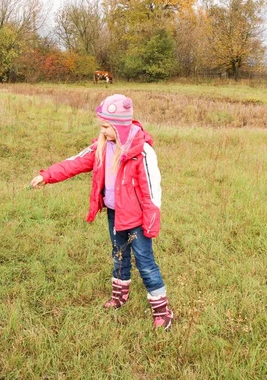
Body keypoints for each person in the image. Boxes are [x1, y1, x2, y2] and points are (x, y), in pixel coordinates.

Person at [29, 94, 173, 330]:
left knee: (145, 261)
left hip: (137, 219)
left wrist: (151, 220)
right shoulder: (102, 147)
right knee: (118, 253)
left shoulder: (142, 151)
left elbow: (152, 189)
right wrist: (47, 175)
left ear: (119, 125)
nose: (103, 131)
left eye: (107, 126)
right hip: (115, 214)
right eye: (102, 126)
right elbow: (75, 162)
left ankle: (162, 310)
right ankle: (119, 296)